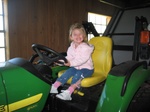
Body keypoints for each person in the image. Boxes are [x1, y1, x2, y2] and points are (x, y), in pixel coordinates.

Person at [50, 23, 94, 100]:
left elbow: (82, 60)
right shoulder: (71, 47)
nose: (78, 36)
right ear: (71, 37)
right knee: (66, 73)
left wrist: (71, 63)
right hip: (76, 67)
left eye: (80, 34)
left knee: (78, 75)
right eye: (75, 34)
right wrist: (60, 61)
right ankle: (54, 87)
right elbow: (69, 57)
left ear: (83, 35)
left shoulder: (86, 48)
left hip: (87, 69)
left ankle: (69, 93)